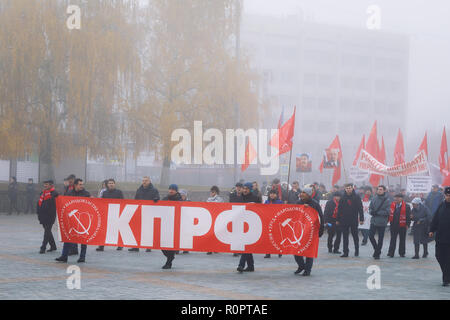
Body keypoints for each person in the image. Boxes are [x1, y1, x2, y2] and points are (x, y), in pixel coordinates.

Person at [56, 179, 91, 263]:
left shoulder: (86, 194)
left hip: (82, 218)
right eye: (80, 184)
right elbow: (64, 203)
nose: (82, 186)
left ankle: (82, 257)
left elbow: (90, 205)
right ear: (75, 185)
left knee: (83, 239)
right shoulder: (69, 193)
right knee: (68, 237)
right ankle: (64, 256)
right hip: (71, 219)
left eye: (82, 184)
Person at [294, 185, 324, 276]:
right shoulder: (298, 203)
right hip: (300, 230)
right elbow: (294, 214)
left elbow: (320, 217)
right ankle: (301, 266)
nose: (301, 194)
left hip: (312, 231)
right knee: (296, 250)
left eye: (304, 193)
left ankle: (308, 269)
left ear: (309, 195)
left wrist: (321, 230)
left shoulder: (315, 204)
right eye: (302, 192)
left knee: (309, 251)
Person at [129, 176, 160, 252]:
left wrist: (156, 199)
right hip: (140, 212)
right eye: (143, 180)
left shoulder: (154, 190)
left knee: (148, 230)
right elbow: (135, 200)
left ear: (149, 181)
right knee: (137, 230)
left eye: (146, 180)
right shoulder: (139, 190)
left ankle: (148, 246)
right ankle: (136, 246)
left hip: (149, 212)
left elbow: (158, 198)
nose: (144, 182)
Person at [236, 183, 260, 273]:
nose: (245, 190)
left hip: (252, 225)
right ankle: (250, 266)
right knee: (246, 245)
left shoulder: (255, 198)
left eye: (247, 188)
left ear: (250, 189)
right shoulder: (239, 198)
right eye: (244, 188)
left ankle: (241, 265)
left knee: (246, 245)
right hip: (241, 224)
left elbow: (262, 210)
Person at [429, 186, 450, 286]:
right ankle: (447, 275)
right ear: (444, 195)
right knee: (439, 256)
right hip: (441, 237)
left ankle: (446, 279)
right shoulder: (441, 205)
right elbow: (435, 219)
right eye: (447, 195)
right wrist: (432, 230)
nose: (448, 197)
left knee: (448, 258)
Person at [96, 179, 125, 252]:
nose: (111, 184)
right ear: (107, 184)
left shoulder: (119, 192)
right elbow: (101, 203)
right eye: (109, 183)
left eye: (112, 183)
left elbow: (123, 202)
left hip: (117, 213)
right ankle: (101, 245)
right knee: (103, 230)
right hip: (106, 213)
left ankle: (120, 245)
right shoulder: (104, 193)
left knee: (118, 229)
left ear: (114, 184)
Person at [336, 183, 364, 257]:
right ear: (345, 189)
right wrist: (338, 219)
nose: (348, 189)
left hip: (353, 220)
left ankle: (356, 250)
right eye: (347, 188)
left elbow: (360, 208)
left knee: (355, 236)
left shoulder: (356, 197)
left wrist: (361, 219)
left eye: (349, 188)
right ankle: (345, 252)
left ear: (352, 188)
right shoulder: (343, 197)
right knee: (345, 237)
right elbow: (339, 209)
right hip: (344, 220)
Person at [160, 184, 183, 269]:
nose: (171, 191)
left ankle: (169, 262)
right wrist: (155, 202)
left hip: (175, 225)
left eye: (173, 189)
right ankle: (170, 257)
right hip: (165, 224)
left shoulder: (180, 200)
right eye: (170, 189)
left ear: (176, 191)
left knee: (171, 245)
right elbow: (158, 207)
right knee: (162, 244)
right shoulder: (165, 199)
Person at [368, 185, 391, 260]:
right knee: (371, 236)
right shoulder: (374, 198)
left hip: (382, 221)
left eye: (381, 189)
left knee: (380, 239)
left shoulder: (387, 200)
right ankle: (377, 250)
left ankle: (377, 253)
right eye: (378, 189)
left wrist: (378, 213)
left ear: (384, 190)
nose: (379, 191)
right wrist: (372, 212)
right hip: (374, 221)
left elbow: (388, 212)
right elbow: (370, 208)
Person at [37, 180, 58, 254]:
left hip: (50, 216)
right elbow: (39, 203)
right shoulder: (42, 193)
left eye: (47, 184)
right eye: (44, 184)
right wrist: (38, 213)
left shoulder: (55, 193)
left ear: (51, 185)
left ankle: (43, 247)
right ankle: (53, 246)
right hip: (42, 215)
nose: (45, 186)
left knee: (47, 231)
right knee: (48, 231)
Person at [264, 189, 283, 259]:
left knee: (277, 237)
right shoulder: (267, 202)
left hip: (277, 222)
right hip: (268, 221)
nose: (272, 195)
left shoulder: (280, 202)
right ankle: (268, 253)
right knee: (268, 238)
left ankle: (279, 251)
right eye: (271, 193)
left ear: (276, 195)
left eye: (274, 193)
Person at [206, 186, 224, 255]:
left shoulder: (220, 199)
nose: (211, 193)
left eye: (213, 192)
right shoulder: (209, 199)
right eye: (211, 192)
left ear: (216, 192)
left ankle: (215, 248)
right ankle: (210, 249)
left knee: (216, 234)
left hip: (217, 219)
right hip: (210, 218)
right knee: (210, 235)